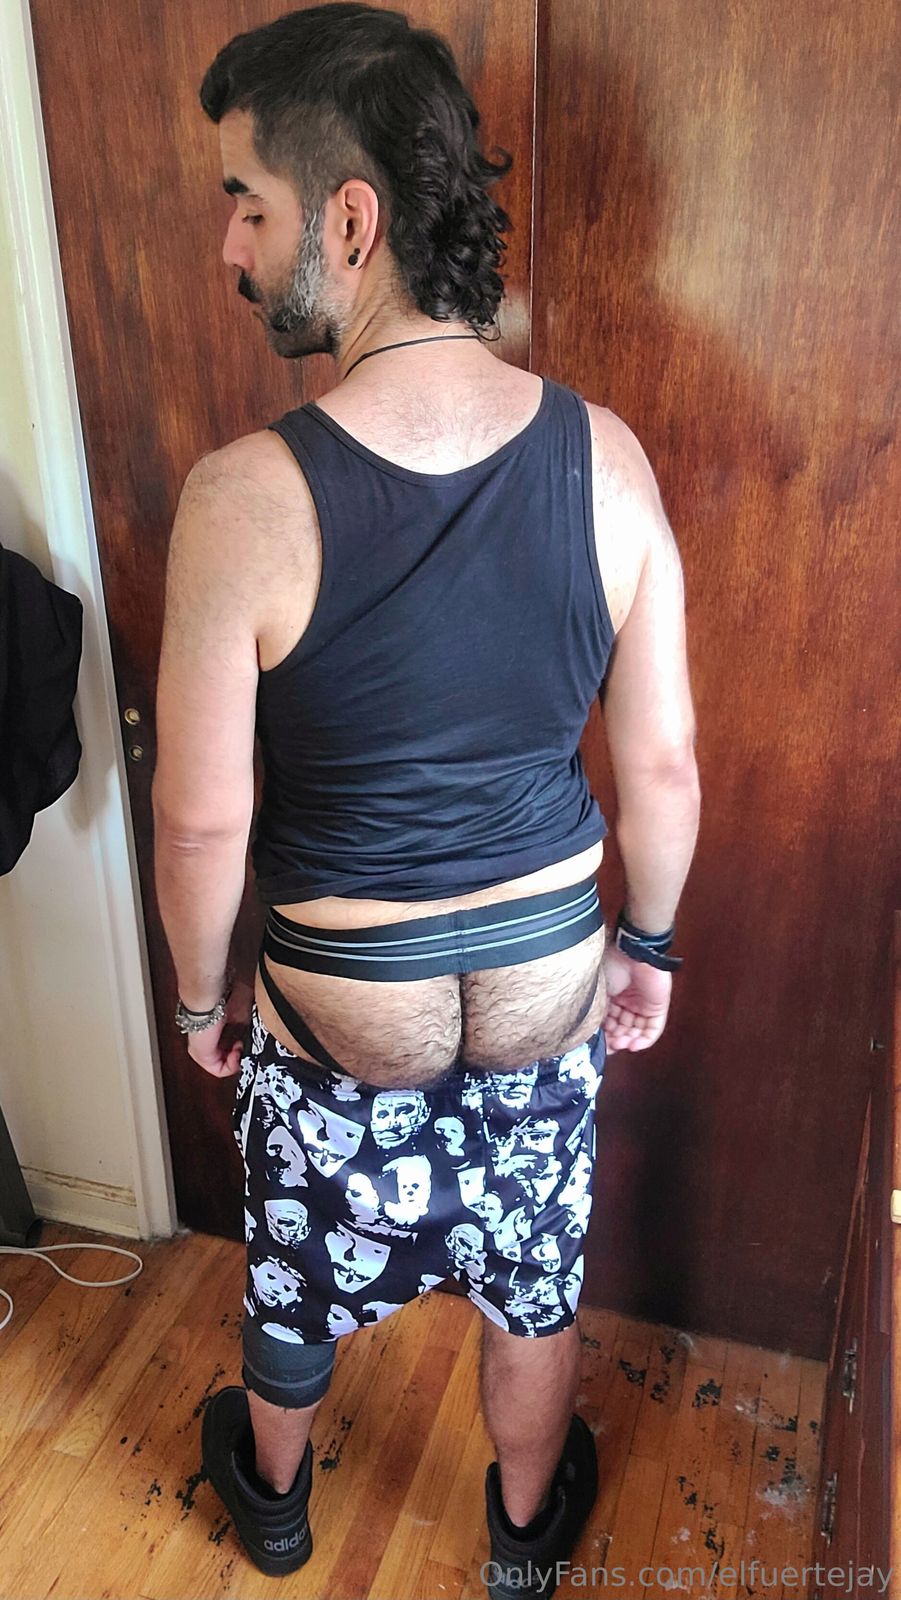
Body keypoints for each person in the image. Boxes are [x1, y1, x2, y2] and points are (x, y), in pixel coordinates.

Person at [151, 5, 700, 1595]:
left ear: (350, 218)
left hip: (340, 997)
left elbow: (201, 823)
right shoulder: (609, 460)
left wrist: (198, 997)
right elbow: (660, 766)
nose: (232, 247)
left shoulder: (242, 499)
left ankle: (273, 1509)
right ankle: (521, 1541)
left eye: (245, 203)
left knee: (295, 1274)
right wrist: (649, 946)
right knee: (534, 1288)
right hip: (546, 975)